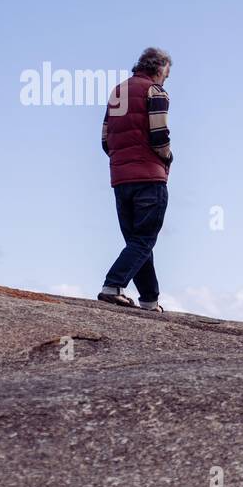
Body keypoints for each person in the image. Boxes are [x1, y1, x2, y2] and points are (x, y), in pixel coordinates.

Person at [98, 47, 174, 310]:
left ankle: (150, 301)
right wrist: (167, 158)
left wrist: (122, 161)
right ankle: (112, 285)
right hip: (149, 178)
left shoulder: (118, 92)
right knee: (143, 240)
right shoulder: (155, 92)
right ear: (160, 67)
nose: (166, 78)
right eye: (167, 73)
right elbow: (160, 135)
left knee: (137, 242)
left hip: (120, 180)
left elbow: (105, 139)